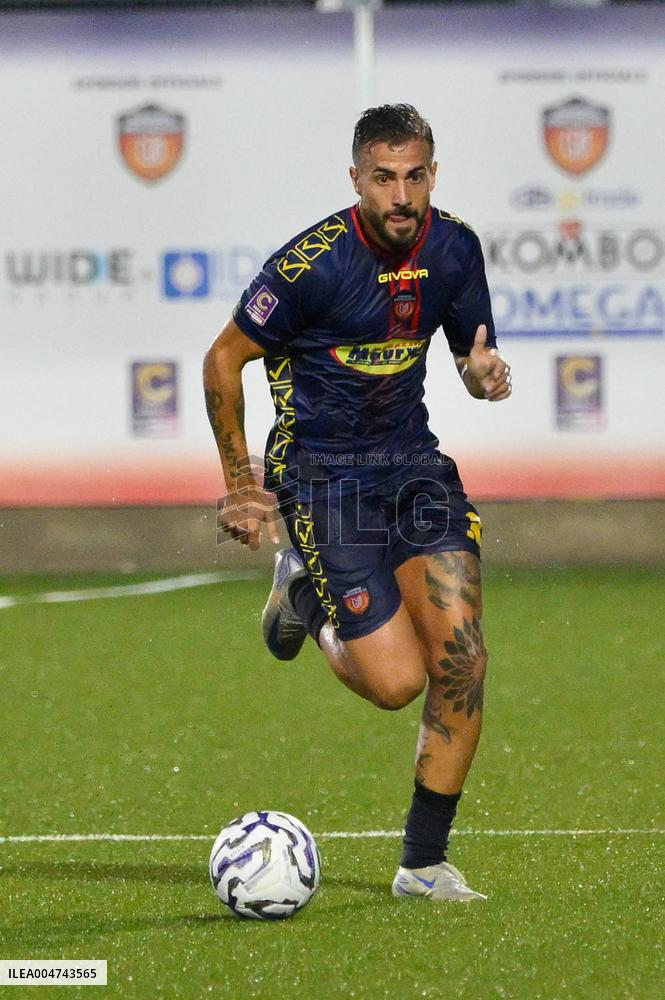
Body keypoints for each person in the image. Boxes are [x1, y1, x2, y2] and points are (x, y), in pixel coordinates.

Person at [203, 104, 511, 901]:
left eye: (415, 175)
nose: (401, 194)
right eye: (384, 178)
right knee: (394, 684)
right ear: (356, 181)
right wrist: (242, 482)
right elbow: (221, 360)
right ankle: (303, 591)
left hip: (412, 466)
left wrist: (482, 379)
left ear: (432, 175)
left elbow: (471, 361)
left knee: (463, 658)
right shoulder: (310, 265)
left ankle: (422, 863)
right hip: (321, 476)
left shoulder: (454, 248)